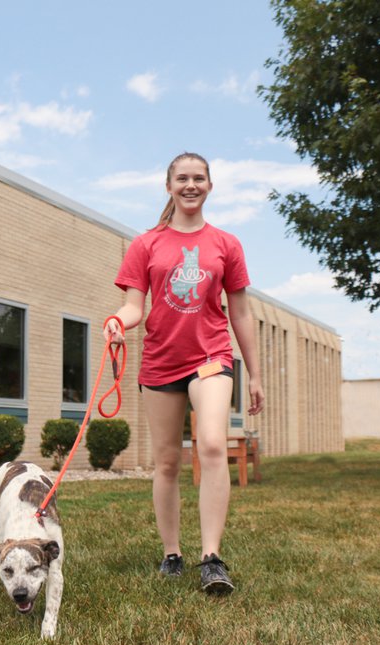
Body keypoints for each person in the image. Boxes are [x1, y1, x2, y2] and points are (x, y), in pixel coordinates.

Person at [104, 152, 265, 595]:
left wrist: (253, 373)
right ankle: (172, 553)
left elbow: (242, 312)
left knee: (212, 445)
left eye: (199, 178)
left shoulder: (226, 244)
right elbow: (135, 306)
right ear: (169, 185)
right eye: (183, 178)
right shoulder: (146, 245)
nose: (191, 185)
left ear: (210, 186)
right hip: (161, 361)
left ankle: (211, 558)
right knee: (168, 462)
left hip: (211, 357)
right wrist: (118, 322)